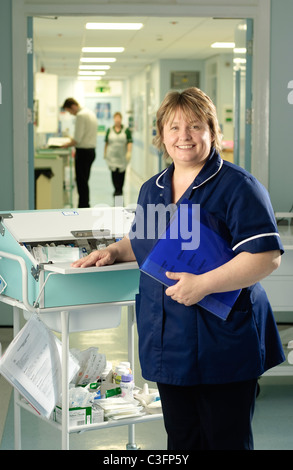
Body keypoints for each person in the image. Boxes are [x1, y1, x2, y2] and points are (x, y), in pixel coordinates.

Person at [72, 87, 285, 450]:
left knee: (225, 440)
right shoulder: (151, 190)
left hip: (223, 341)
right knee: (182, 440)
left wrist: (204, 284)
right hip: (169, 341)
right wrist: (113, 251)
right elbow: (146, 243)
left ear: (212, 131)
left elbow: (265, 256)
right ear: (161, 135)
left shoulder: (238, 187)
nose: (184, 136)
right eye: (173, 127)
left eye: (195, 126)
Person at [62, 98, 97, 208]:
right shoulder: (90, 113)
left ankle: (83, 205)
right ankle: (85, 204)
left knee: (81, 181)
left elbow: (77, 139)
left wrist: (65, 145)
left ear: (73, 106)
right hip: (91, 151)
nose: (71, 114)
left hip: (83, 152)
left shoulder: (80, 115)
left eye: (69, 111)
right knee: (84, 180)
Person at [104, 111, 133, 197]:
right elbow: (106, 142)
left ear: (121, 119)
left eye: (119, 118)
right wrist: (104, 152)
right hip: (112, 156)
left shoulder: (126, 130)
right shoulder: (109, 130)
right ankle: (116, 189)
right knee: (114, 173)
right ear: (114, 119)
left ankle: (120, 189)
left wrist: (129, 152)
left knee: (121, 173)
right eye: (115, 118)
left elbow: (129, 142)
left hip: (122, 156)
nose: (117, 120)